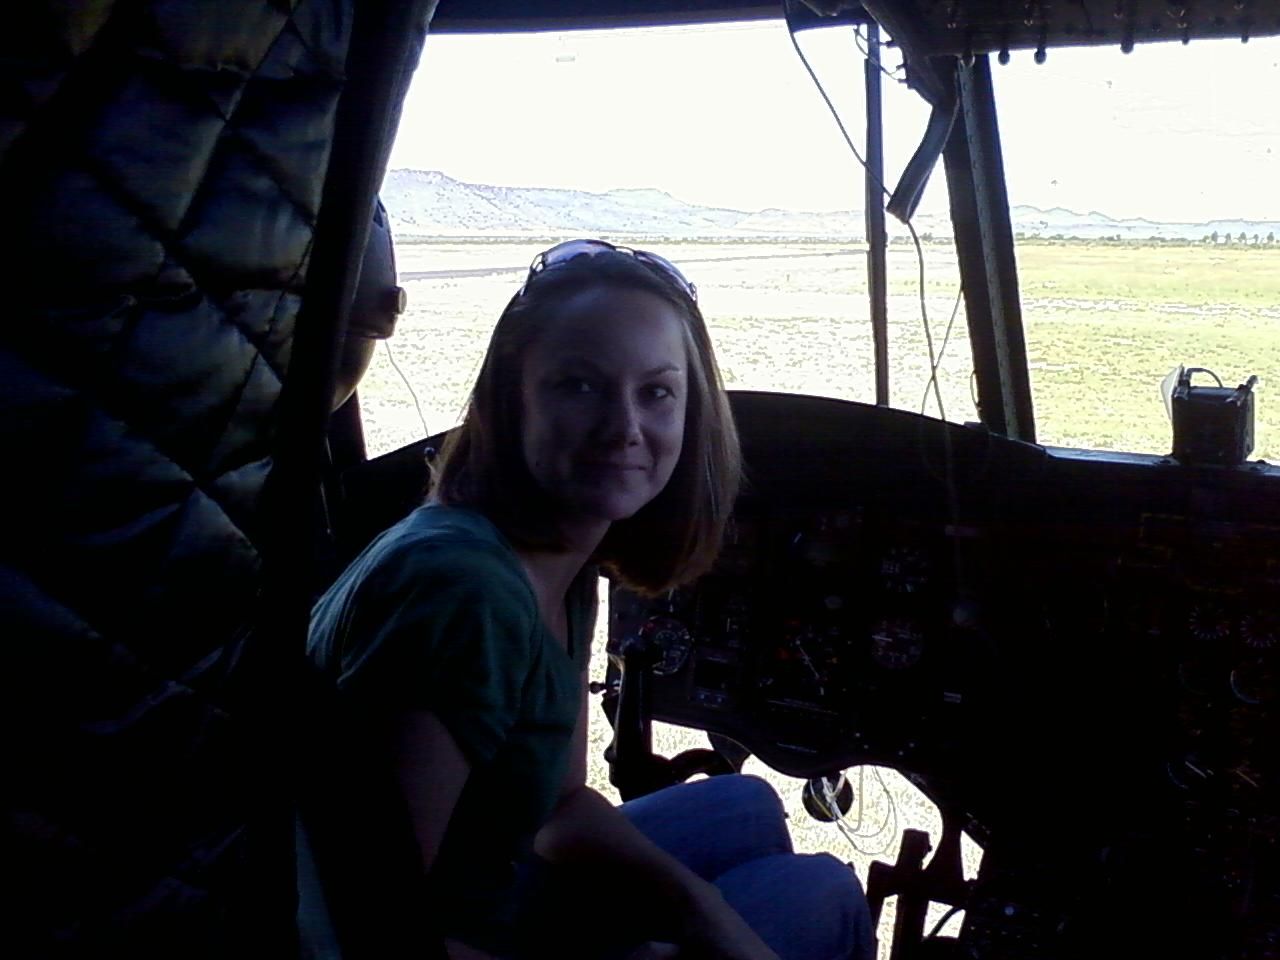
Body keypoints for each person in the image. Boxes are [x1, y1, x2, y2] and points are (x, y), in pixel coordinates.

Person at [304, 239, 875, 960]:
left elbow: (559, 809)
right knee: (819, 893)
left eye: (657, 391)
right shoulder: (462, 592)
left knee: (746, 806)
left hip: (489, 893)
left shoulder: (559, 562)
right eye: (579, 385)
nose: (625, 428)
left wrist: (702, 914)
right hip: (414, 931)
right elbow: (366, 923)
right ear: (512, 402)